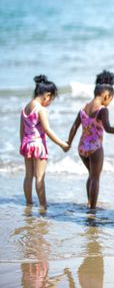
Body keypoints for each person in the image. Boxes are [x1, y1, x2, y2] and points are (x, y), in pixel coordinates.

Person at [66, 70, 114, 209]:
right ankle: (92, 208)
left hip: (82, 147)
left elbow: (74, 126)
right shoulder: (102, 110)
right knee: (95, 178)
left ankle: (89, 202)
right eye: (110, 99)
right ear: (106, 96)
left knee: (91, 175)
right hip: (95, 148)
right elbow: (108, 128)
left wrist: (69, 142)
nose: (109, 103)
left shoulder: (83, 107)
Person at [20, 75, 69, 208]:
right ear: (47, 95)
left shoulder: (25, 108)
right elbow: (47, 130)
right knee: (40, 177)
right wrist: (62, 144)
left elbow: (22, 130)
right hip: (38, 145)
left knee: (28, 176)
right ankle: (43, 204)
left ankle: (29, 203)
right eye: (51, 99)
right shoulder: (41, 109)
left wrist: (22, 145)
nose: (50, 102)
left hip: (27, 144)